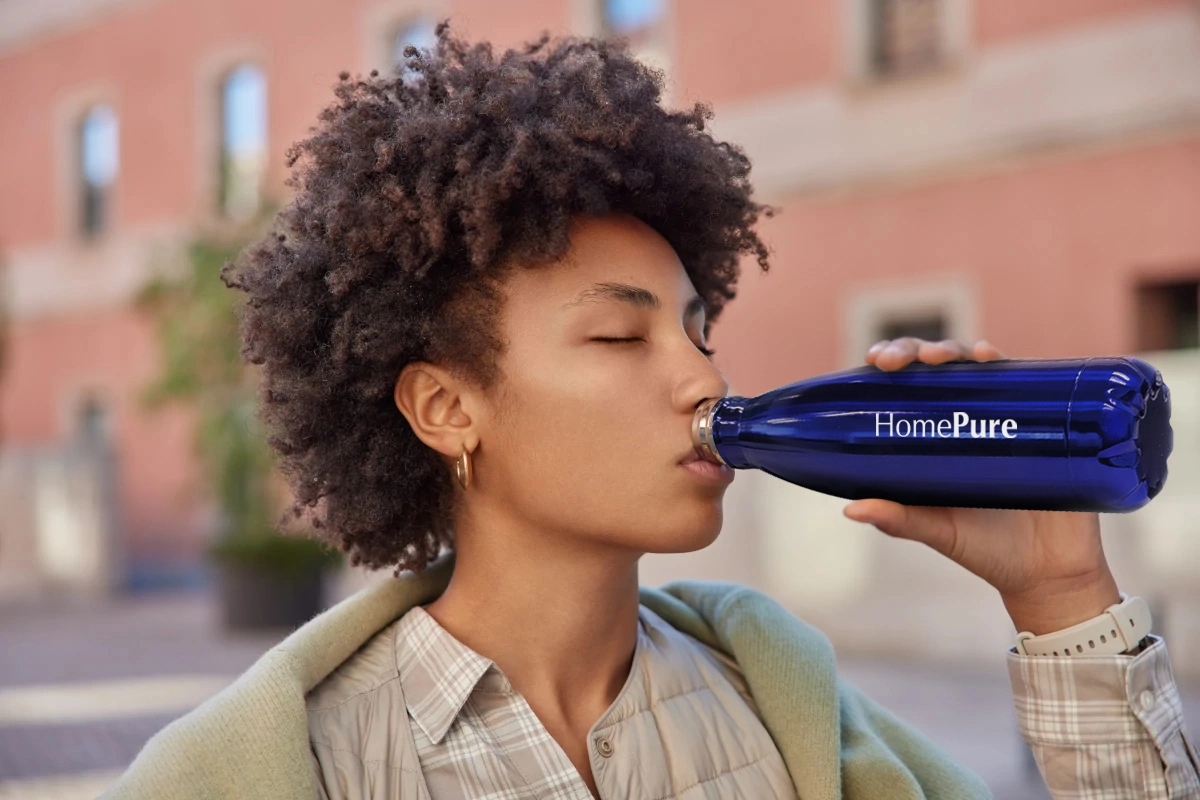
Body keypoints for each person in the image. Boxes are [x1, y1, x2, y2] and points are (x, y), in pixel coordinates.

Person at [102, 20, 1200, 800]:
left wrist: (1060, 596)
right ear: (445, 405)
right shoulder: (293, 767)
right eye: (621, 335)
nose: (705, 380)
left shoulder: (787, 710)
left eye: (697, 327)